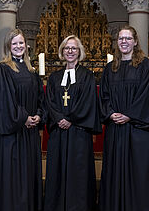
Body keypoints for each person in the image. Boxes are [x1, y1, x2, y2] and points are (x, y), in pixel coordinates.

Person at [98, 26, 149, 211]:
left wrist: (129, 115)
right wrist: (110, 113)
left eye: (127, 38)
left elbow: (148, 95)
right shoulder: (111, 68)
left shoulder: (145, 66)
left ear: (135, 41)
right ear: (117, 42)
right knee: (114, 172)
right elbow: (104, 96)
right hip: (116, 130)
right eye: (120, 39)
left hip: (138, 130)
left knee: (139, 172)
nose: (124, 41)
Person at [44, 35, 102, 211]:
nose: (70, 51)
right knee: (57, 171)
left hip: (78, 132)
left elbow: (88, 101)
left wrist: (70, 119)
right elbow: (50, 101)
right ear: (62, 51)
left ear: (79, 52)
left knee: (79, 173)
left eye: (74, 48)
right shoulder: (54, 77)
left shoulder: (87, 76)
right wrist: (59, 118)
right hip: (58, 133)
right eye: (67, 48)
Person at [0, 29, 45, 211]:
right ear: (8, 46)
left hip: (29, 134)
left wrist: (39, 114)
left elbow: (40, 97)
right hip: (12, 134)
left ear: (26, 46)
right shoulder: (3, 69)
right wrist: (23, 118)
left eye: (21, 43)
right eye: (14, 43)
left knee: (28, 173)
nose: (18, 46)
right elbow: (4, 101)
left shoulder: (31, 71)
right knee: (12, 175)